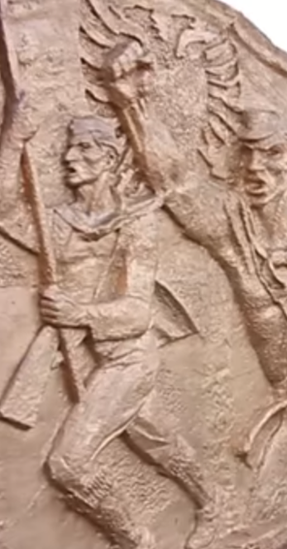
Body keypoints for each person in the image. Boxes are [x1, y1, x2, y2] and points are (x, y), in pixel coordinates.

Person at [101, 40, 287, 500]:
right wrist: (132, 101)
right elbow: (173, 180)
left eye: (271, 154)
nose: (257, 166)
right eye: (248, 154)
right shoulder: (231, 226)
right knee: (274, 491)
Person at [0, 98, 221, 549]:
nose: (69, 158)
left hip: (129, 356)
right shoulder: (59, 220)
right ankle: (219, 501)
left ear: (109, 157)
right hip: (80, 354)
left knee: (68, 464)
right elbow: (3, 210)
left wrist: (80, 314)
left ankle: (137, 540)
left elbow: (138, 312)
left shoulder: (134, 224)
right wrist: (15, 138)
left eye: (83, 149)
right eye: (68, 149)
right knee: (156, 437)